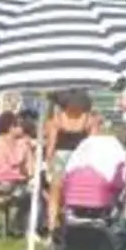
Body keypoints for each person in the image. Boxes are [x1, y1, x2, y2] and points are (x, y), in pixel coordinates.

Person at [43, 90, 97, 237]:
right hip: (81, 158)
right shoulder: (89, 120)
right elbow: (93, 144)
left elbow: (51, 145)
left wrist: (48, 163)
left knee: (55, 193)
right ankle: (74, 223)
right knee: (77, 193)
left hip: (61, 157)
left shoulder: (58, 119)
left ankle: (52, 226)